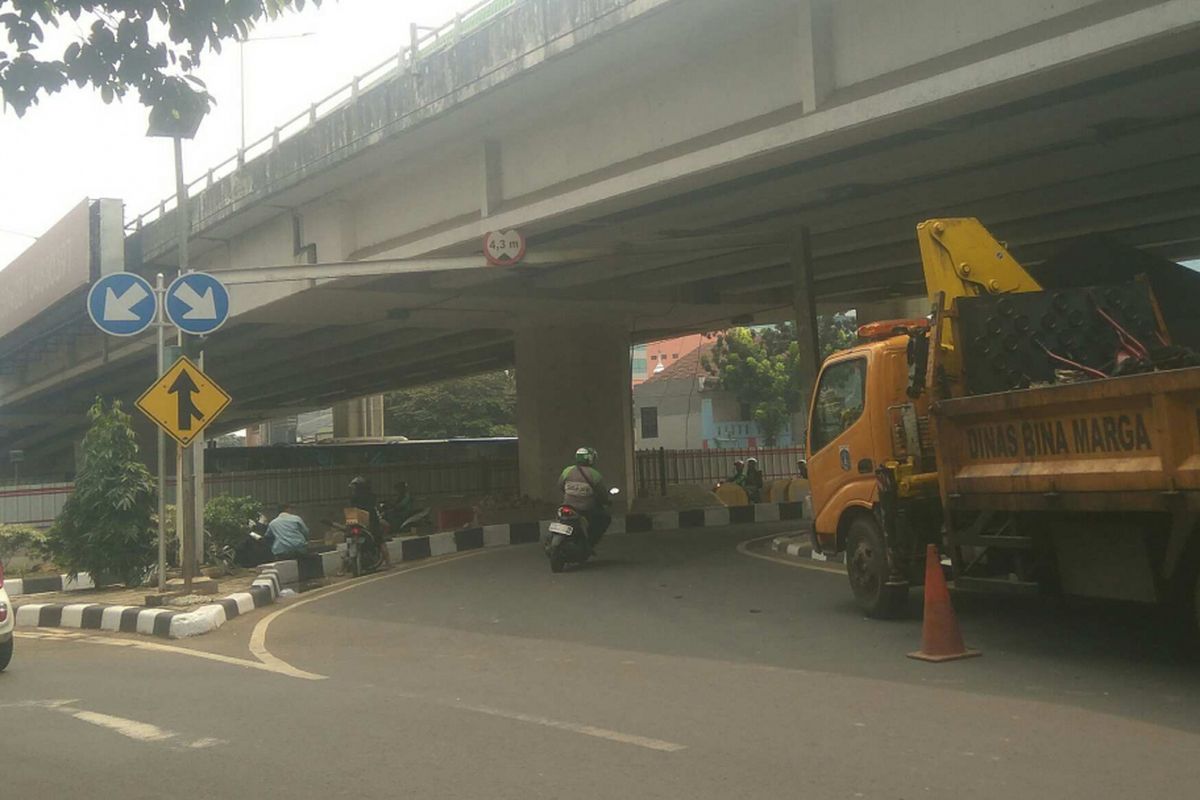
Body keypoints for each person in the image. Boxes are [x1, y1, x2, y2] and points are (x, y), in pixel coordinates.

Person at [557, 446, 611, 550]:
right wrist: (605, 502)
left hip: (567, 505)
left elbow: (560, 485)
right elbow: (602, 494)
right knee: (604, 519)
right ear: (590, 458)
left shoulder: (567, 471)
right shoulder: (595, 475)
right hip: (586, 508)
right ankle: (590, 543)